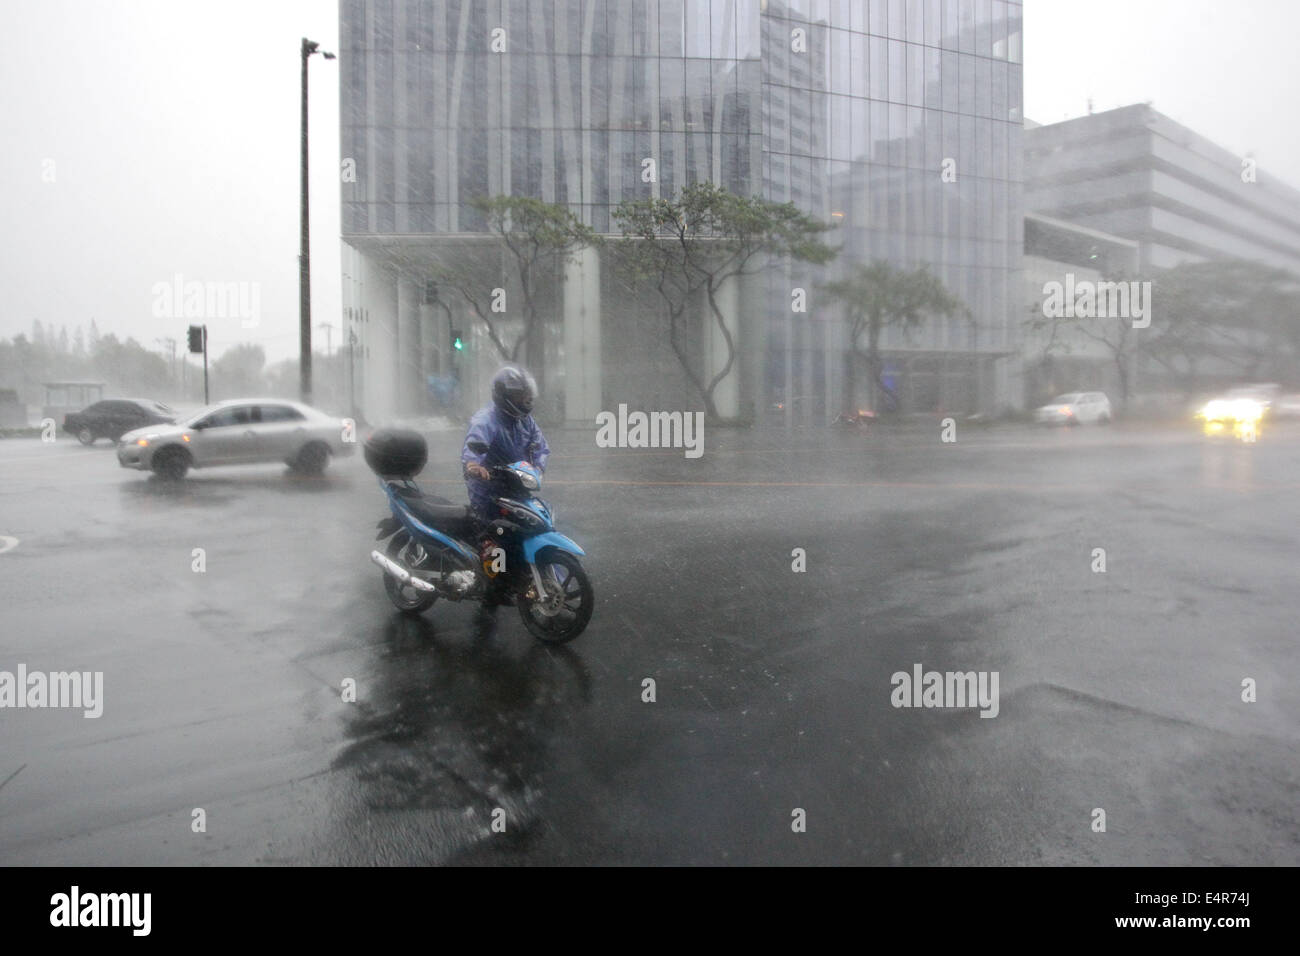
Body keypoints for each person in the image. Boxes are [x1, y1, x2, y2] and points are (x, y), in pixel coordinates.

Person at [461, 364, 550, 520]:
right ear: (504, 396)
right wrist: (473, 465)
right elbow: (475, 444)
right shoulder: (486, 420)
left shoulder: (525, 420)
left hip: (518, 485)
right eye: (520, 396)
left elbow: (540, 446)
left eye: (528, 395)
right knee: (494, 532)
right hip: (489, 490)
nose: (526, 399)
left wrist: (538, 467)